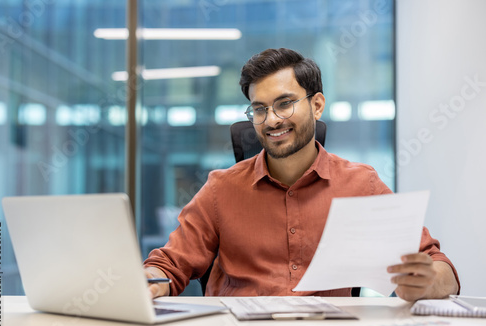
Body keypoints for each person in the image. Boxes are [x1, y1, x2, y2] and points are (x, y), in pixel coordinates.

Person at [144, 48, 460, 301]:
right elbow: (168, 265)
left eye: (285, 104)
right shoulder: (220, 189)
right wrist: (150, 283)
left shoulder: (361, 184)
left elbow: (437, 264)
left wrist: (426, 282)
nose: (271, 120)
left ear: (317, 105)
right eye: (259, 109)